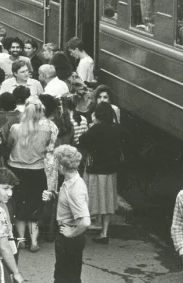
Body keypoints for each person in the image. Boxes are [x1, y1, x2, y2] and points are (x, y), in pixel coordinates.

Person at [6, 96, 52, 252]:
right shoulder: (46, 130)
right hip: (37, 170)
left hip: (16, 169)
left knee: (18, 204)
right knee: (34, 206)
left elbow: (9, 144)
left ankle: (20, 239)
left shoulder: (15, 129)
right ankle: (34, 241)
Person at [43, 145, 90, 283]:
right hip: (66, 235)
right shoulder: (70, 180)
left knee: (66, 278)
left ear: (61, 166)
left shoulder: (75, 188)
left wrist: (71, 233)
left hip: (69, 237)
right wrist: (54, 195)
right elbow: (68, 200)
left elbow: (85, 221)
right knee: (64, 274)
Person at [79, 102, 123, 243]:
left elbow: (82, 140)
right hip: (110, 172)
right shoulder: (117, 128)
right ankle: (104, 233)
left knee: (90, 199)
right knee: (107, 202)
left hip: (95, 170)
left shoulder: (96, 128)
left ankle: (82, 229)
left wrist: (93, 123)